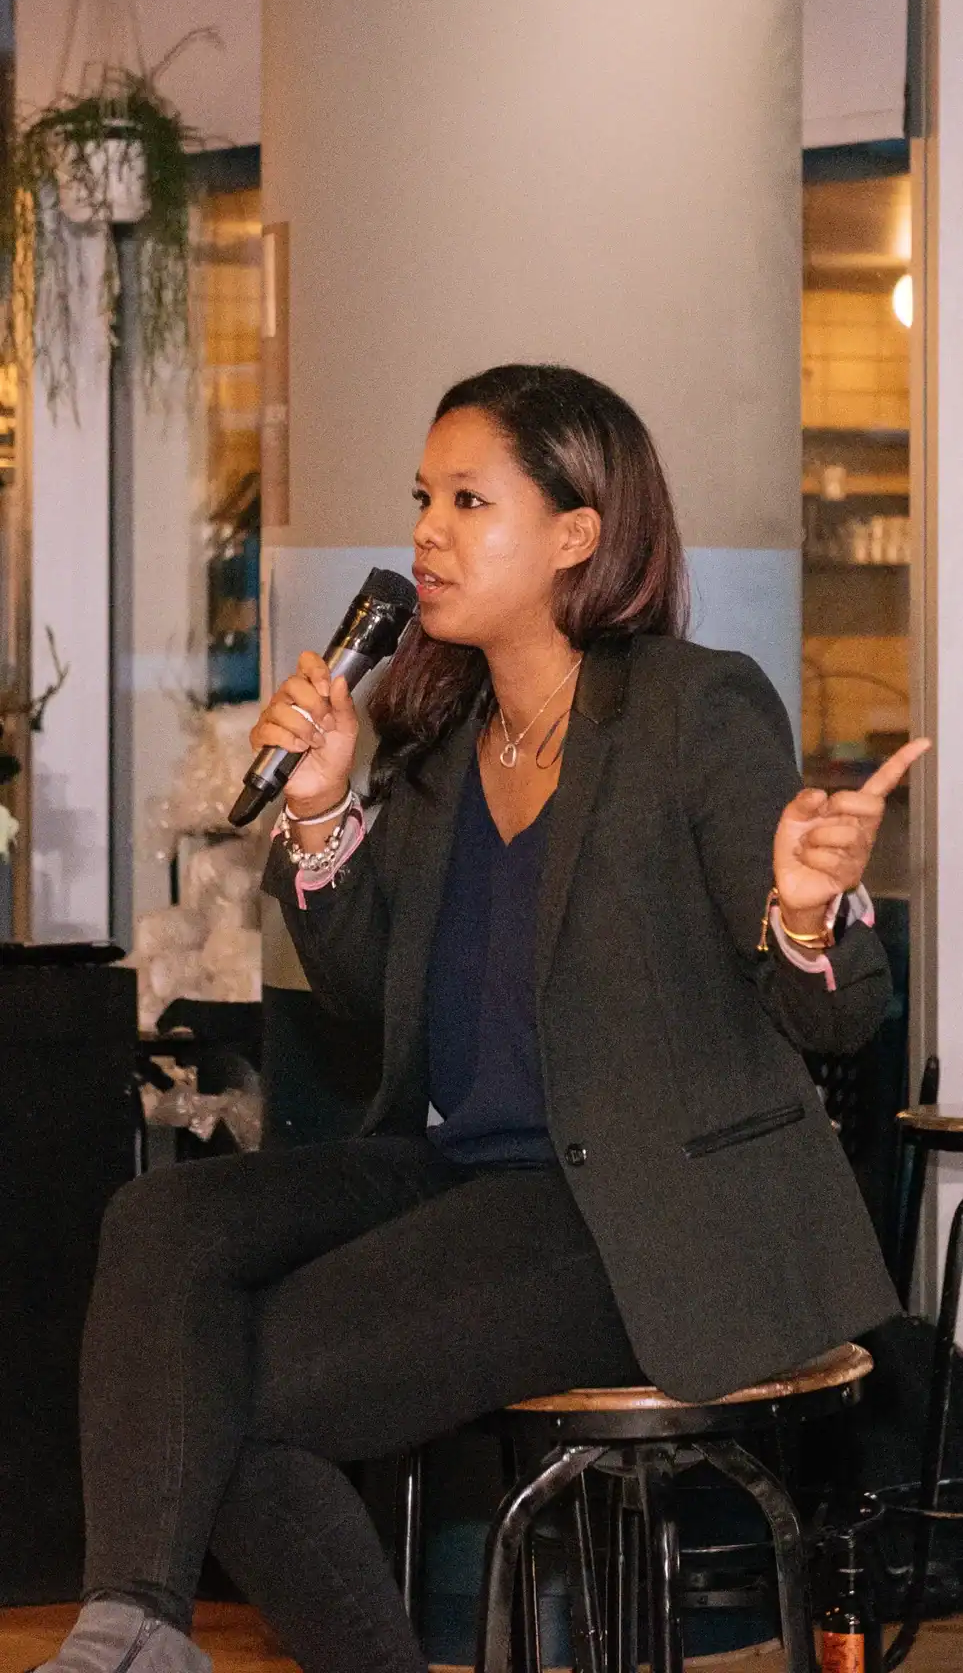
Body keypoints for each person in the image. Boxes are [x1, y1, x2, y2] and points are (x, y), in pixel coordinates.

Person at [44, 365, 927, 1673]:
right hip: (462, 1171)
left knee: (232, 1402)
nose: (425, 533)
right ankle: (132, 1630)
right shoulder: (441, 747)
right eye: (421, 499)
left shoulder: (696, 707)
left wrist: (803, 909)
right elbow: (356, 1002)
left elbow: (843, 1016)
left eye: (468, 499)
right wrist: (321, 809)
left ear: (577, 530)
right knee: (158, 1215)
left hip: (641, 1206)